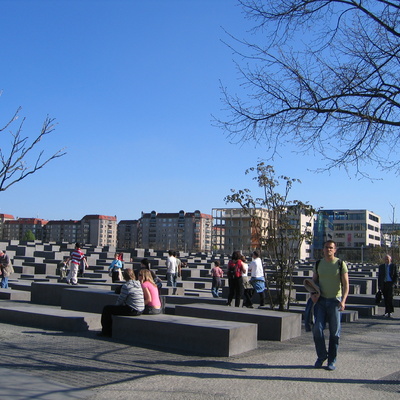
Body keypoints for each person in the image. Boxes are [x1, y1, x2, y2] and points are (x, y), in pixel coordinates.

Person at [312, 240, 349, 371]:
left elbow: (346, 284)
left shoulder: (340, 264)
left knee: (335, 333)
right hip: (321, 301)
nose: (328, 250)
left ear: (335, 250)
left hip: (335, 301)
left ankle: (332, 360)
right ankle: (322, 356)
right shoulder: (318, 264)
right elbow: (313, 282)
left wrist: (343, 300)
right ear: (323, 249)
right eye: (326, 247)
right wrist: (313, 294)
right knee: (317, 329)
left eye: (331, 248)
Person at [99, 268, 144, 337]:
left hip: (133, 309)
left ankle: (106, 332)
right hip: (141, 309)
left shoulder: (126, 286)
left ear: (124, 276)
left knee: (107, 309)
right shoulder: (138, 284)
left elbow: (120, 300)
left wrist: (116, 307)